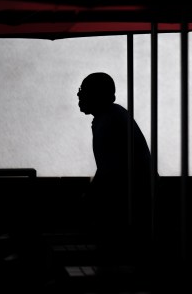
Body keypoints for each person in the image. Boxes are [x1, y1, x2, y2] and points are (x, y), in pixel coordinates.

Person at [76, 72, 157, 268]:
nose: (78, 95)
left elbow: (110, 173)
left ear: (96, 95)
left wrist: (88, 199)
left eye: (83, 90)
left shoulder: (107, 121)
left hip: (130, 205)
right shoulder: (114, 116)